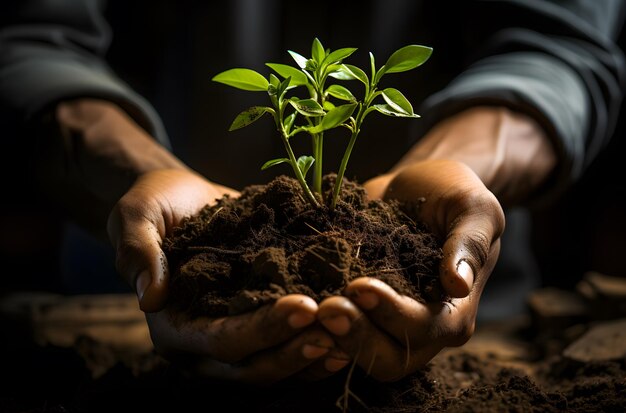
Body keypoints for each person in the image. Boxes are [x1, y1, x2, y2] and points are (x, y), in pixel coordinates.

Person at [1, 0, 624, 384]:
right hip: (121, 324)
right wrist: (138, 174)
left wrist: (447, 169)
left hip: (472, 334)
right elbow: (27, 38)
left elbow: (560, 49)